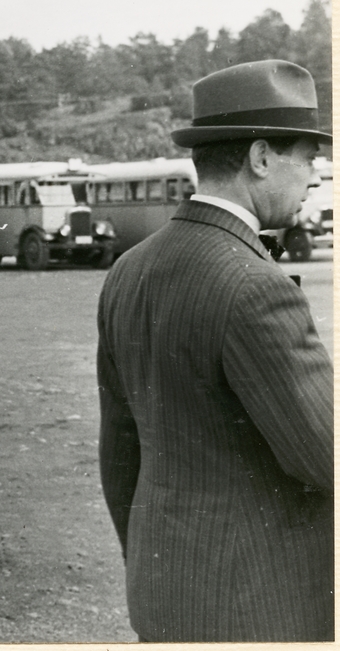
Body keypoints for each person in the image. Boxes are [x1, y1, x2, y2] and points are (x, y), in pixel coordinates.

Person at [96, 59, 333, 642]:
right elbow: (326, 457)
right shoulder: (257, 286)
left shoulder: (129, 269)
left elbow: (120, 452)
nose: (315, 177)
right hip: (260, 607)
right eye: (308, 158)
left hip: (164, 589)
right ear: (261, 157)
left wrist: (153, 563)